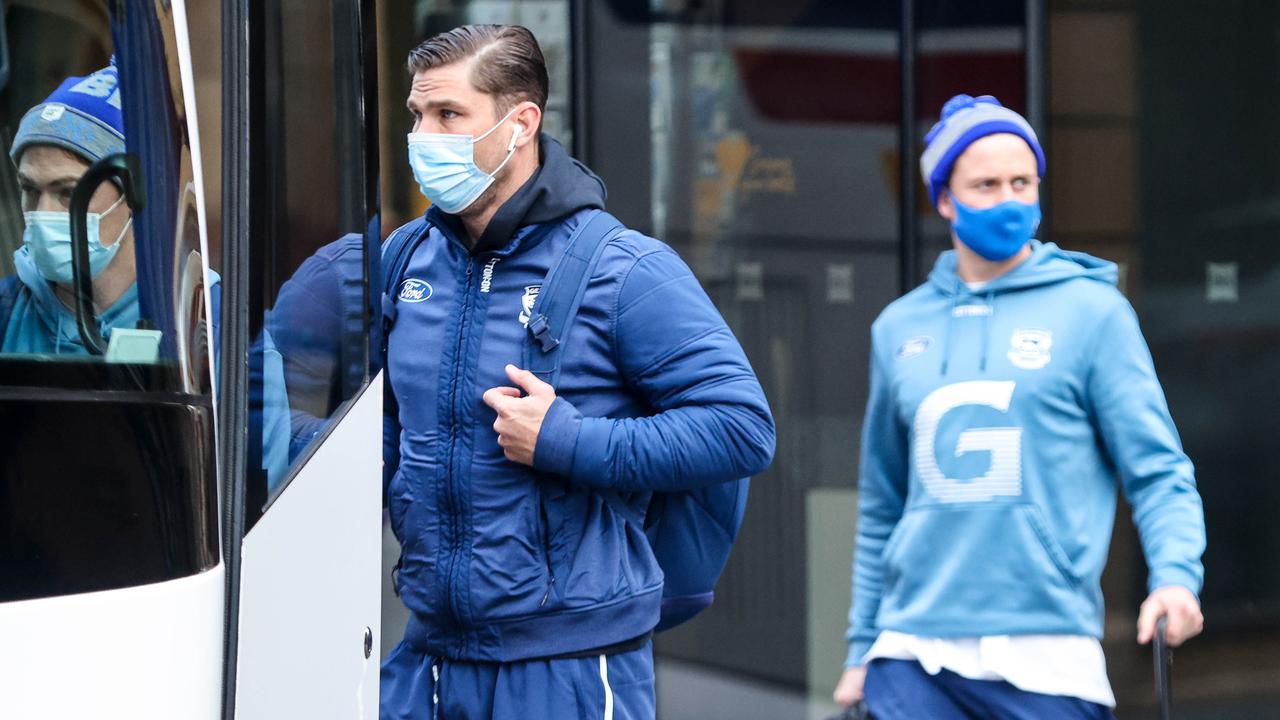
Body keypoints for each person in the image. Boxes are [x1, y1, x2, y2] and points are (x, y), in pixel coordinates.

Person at [379, 25, 775, 720]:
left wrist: (567, 439)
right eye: (417, 115)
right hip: (432, 656)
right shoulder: (405, 260)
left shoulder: (626, 269)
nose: (423, 136)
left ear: (520, 122)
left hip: (568, 668)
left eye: (448, 115)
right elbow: (386, 430)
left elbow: (742, 430)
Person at [833, 94, 1206, 719]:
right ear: (945, 199)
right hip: (912, 651)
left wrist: (1174, 576)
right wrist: (859, 651)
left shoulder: (1093, 313)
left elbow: (1158, 471)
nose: (1008, 200)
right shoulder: (898, 328)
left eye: (1022, 182)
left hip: (1049, 653)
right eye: (985, 184)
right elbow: (882, 504)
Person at [0, 61, 292, 490]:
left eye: (67, 193)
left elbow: (254, 505)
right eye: (30, 191)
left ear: (136, 196)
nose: (43, 216)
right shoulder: (7, 312)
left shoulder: (215, 326)